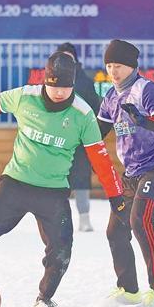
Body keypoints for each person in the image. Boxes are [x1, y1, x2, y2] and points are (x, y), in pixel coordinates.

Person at [0, 52, 124, 307]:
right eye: (54, 86)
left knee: (61, 249)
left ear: (73, 84)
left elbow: (100, 158)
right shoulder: (24, 96)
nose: (59, 92)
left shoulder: (83, 113)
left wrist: (116, 196)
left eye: (65, 87)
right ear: (45, 81)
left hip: (53, 192)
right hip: (15, 184)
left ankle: (44, 299)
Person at [97, 39, 154, 307]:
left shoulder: (147, 89)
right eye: (109, 65)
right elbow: (98, 131)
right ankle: (129, 290)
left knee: (141, 222)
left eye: (118, 66)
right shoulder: (110, 96)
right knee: (115, 230)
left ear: (132, 66)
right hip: (130, 173)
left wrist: (142, 120)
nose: (113, 71)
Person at [56, 42, 103, 232]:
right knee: (58, 180)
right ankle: (59, 220)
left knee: (82, 179)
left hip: (80, 141)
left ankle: (84, 218)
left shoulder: (85, 81)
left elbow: (94, 109)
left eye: (69, 58)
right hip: (57, 141)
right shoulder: (50, 82)